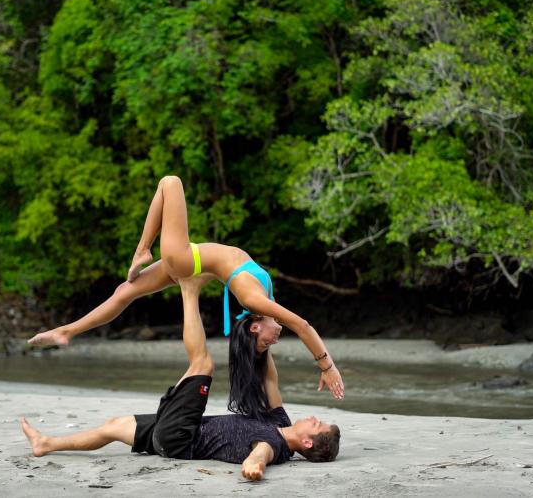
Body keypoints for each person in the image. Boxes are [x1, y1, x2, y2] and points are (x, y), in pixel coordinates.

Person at [28, 175, 345, 401]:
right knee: (124, 293)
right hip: (189, 258)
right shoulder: (261, 303)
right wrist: (302, 375)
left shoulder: (253, 301)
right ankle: (67, 332)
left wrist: (327, 366)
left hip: (185, 260)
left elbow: (302, 325)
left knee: (170, 183)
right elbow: (268, 366)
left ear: (254, 327)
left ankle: (142, 249)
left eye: (265, 343)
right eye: (269, 343)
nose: (275, 339)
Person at [19, 276, 341, 480]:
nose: (313, 417)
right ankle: (46, 444)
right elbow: (269, 382)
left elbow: (259, 455)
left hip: (181, 437)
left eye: (317, 424)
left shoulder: (273, 444)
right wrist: (263, 343)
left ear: (308, 442)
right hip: (177, 436)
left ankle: (188, 289)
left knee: (202, 363)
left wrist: (255, 467)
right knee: (114, 426)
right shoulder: (278, 421)